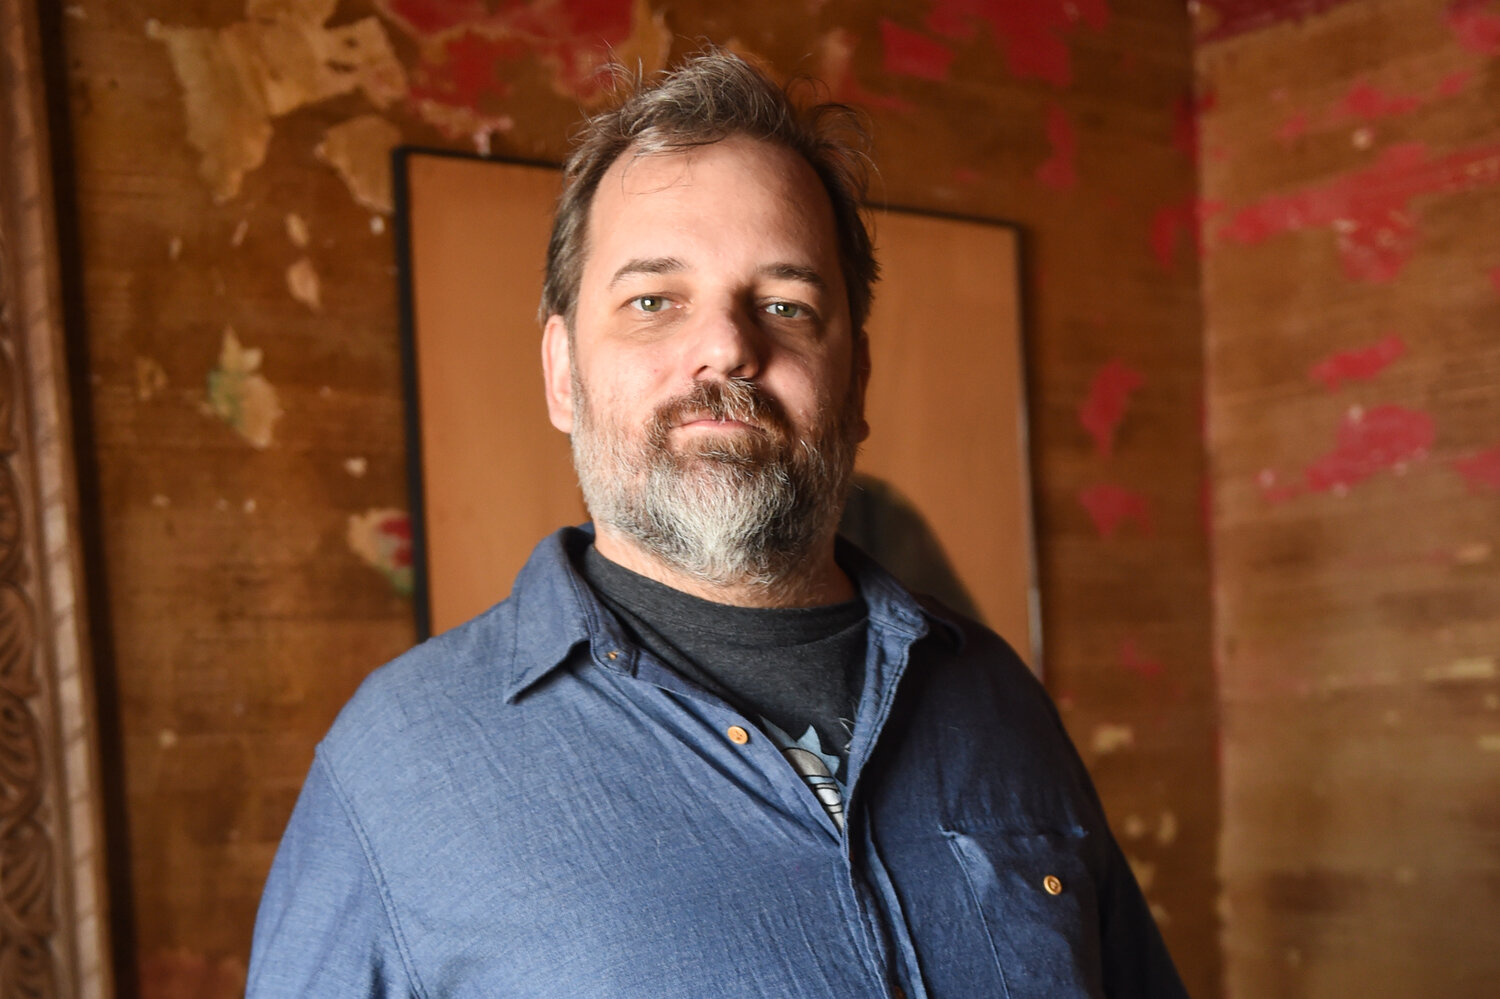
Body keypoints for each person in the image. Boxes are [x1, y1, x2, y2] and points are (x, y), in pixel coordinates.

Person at [247, 50, 1189, 998]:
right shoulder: (395, 766)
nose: (727, 346)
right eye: (654, 301)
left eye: (785, 303)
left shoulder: (996, 699)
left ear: (856, 379)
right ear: (563, 373)